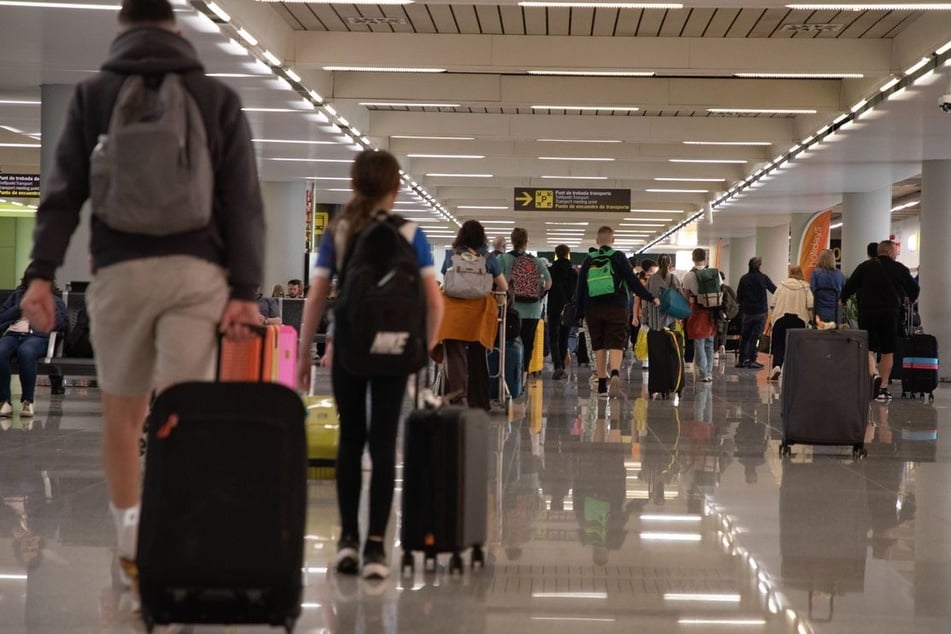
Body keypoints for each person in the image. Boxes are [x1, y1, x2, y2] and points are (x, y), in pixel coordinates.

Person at [19, 0, 264, 591]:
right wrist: (244, 292)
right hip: (194, 276)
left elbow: (61, 194)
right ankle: (179, 536)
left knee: (121, 416)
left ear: (123, 27)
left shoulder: (92, 95)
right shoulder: (217, 100)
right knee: (181, 411)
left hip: (120, 276)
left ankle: (130, 543)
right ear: (178, 28)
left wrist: (41, 275)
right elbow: (243, 202)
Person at [296, 150, 443, 579]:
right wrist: (423, 347)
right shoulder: (411, 232)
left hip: (350, 349)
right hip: (396, 352)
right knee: (383, 444)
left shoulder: (340, 231)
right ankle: (377, 549)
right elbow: (434, 302)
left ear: (354, 185)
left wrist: (306, 351)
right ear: (395, 189)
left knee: (350, 442)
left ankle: (347, 542)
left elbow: (318, 296)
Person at [576, 227, 658, 397]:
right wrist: (650, 298)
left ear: (597, 241)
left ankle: (601, 386)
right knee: (616, 342)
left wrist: (578, 312)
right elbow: (633, 281)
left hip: (593, 308)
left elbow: (580, 289)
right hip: (617, 307)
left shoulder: (589, 259)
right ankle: (614, 372)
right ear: (613, 240)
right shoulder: (619, 257)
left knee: (598, 345)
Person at [438, 220, 508, 410]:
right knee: (478, 356)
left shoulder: (452, 255)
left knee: (455, 356)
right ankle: (479, 401)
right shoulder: (487, 257)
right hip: (479, 314)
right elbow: (504, 286)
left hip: (453, 314)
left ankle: (457, 398)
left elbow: (446, 280)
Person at [841, 240, 919, 401]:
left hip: (868, 313)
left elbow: (849, 286)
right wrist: (908, 299)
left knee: (869, 349)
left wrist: (843, 300)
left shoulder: (865, 267)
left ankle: (873, 377)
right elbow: (914, 288)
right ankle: (883, 388)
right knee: (887, 351)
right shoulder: (899, 269)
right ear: (891, 252)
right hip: (891, 314)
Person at [0, 281, 68, 417]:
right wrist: (18, 309)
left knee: (26, 352)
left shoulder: (54, 299)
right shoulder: (16, 297)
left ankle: (27, 401)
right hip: (13, 334)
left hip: (38, 337)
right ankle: (4, 401)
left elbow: (62, 324)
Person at [499, 228, 552, 382]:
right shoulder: (535, 261)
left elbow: (494, 280)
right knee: (528, 343)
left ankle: (507, 374)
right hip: (533, 310)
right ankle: (523, 376)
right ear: (526, 243)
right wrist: (539, 293)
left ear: (512, 241)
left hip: (510, 308)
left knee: (507, 342)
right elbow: (548, 283)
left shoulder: (502, 259)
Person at [768, 265, 814, 381]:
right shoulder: (805, 287)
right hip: (799, 320)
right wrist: (811, 319)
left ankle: (777, 366)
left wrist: (773, 318)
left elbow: (773, 303)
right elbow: (810, 305)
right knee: (797, 346)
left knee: (779, 344)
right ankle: (795, 370)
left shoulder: (782, 286)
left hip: (781, 318)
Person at [682, 248, 716, 383]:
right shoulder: (714, 273)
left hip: (696, 311)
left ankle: (703, 373)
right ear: (705, 258)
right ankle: (709, 372)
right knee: (710, 343)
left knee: (699, 342)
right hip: (712, 312)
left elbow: (686, 295)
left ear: (693, 258)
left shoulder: (689, 275)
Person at [735, 257, 777, 369]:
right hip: (760, 312)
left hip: (747, 312)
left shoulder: (744, 278)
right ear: (759, 266)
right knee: (755, 337)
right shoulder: (763, 278)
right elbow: (774, 290)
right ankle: (751, 360)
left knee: (745, 336)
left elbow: (738, 297)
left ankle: (741, 360)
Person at [547, 245, 577, 380]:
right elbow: (576, 292)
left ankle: (557, 365)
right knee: (564, 337)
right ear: (568, 254)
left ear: (556, 255)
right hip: (568, 309)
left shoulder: (551, 271)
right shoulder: (573, 273)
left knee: (553, 337)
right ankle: (563, 368)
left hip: (553, 307)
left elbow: (546, 289)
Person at [810, 249, 846, 325]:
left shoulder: (815, 273)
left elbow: (813, 290)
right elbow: (844, 291)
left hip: (819, 311)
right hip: (836, 312)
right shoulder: (840, 274)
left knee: (819, 334)